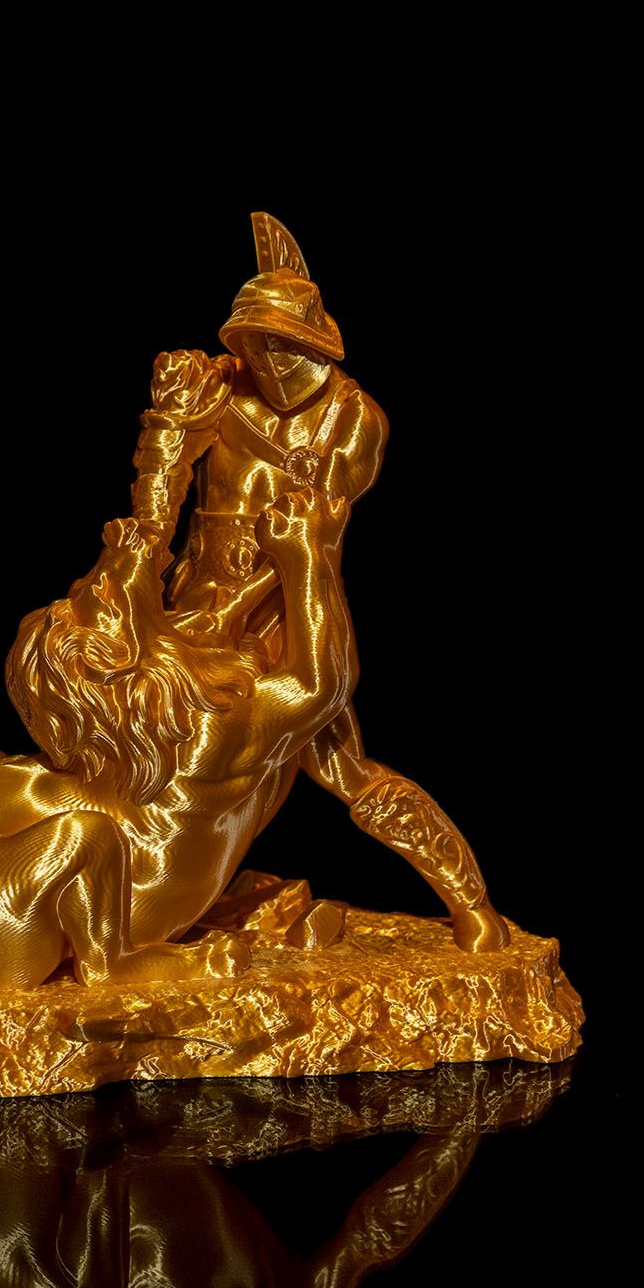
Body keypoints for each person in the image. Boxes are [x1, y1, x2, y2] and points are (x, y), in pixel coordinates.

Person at [130, 213, 509, 953]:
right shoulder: (221, 388)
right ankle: (158, 898)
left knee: (339, 764)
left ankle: (471, 904)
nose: (267, 358)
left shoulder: (352, 420)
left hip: (287, 606)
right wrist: (146, 541)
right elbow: (162, 479)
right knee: (159, 754)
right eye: (253, 341)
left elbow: (314, 534)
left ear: (315, 341)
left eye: (280, 341)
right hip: (195, 597)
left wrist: (233, 612)